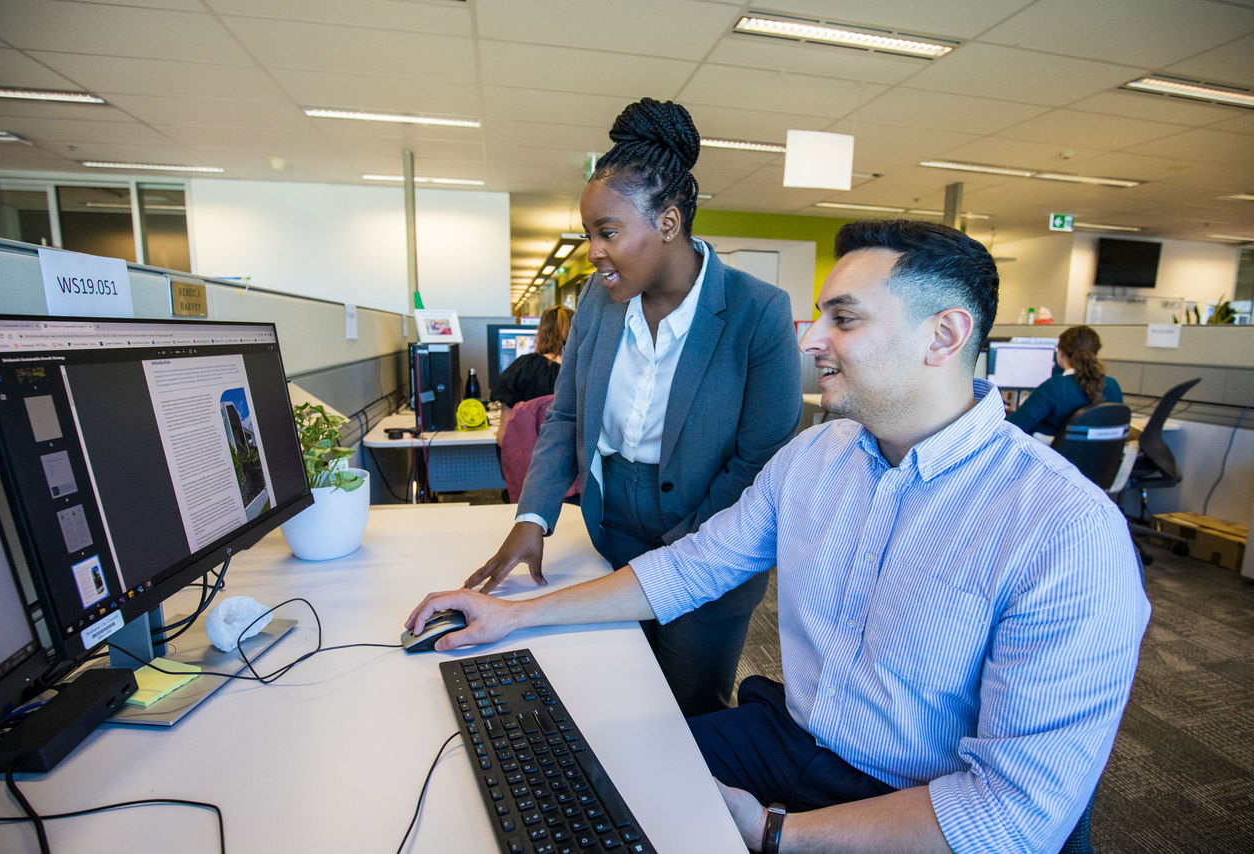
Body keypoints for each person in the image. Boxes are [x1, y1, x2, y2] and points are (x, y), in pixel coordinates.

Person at [409, 220, 1150, 853]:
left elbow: (1013, 814)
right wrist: (513, 614)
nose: (813, 338)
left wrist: (774, 833)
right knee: (574, 777)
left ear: (944, 336)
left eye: (844, 319)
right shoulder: (816, 457)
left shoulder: (1066, 532)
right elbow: (693, 567)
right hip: (791, 738)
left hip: (916, 800)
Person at [463, 96, 803, 718]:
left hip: (711, 536)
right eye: (589, 234)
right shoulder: (600, 301)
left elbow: (760, 461)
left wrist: (676, 558)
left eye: (608, 233)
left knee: (688, 714)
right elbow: (566, 417)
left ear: (668, 223)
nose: (593, 251)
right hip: (611, 524)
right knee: (616, 693)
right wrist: (532, 518)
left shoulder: (758, 312)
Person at [1006, 324, 1123, 436]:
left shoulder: (1056, 386)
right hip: (1101, 451)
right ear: (1096, 354)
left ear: (1061, 353)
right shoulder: (1112, 385)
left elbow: (1010, 428)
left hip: (1048, 450)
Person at [491, 304, 573, 445]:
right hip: (571, 456)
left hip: (530, 456)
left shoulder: (522, 368)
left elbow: (503, 439)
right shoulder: (585, 370)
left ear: (541, 332)